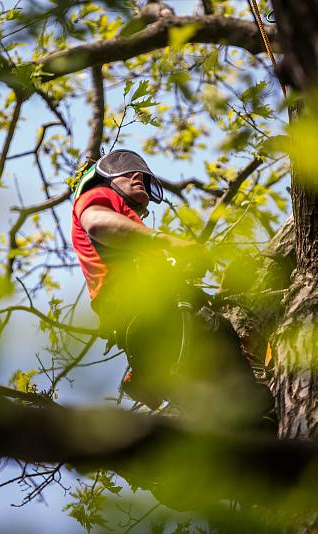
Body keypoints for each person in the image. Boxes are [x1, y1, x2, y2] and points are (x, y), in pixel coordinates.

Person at [70, 150, 272, 421]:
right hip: (147, 311)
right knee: (215, 334)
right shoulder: (97, 198)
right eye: (126, 171)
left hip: (153, 324)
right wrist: (166, 241)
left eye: (142, 174)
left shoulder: (134, 239)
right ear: (104, 180)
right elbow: (97, 224)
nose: (137, 176)